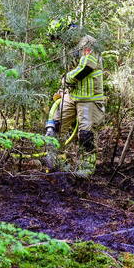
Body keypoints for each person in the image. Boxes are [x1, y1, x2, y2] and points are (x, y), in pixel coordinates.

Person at [45, 28, 105, 175]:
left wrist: (67, 79)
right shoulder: (69, 48)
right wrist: (63, 88)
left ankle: (85, 170)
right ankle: (56, 163)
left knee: (86, 135)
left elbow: (86, 67)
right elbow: (71, 70)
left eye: (59, 37)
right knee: (55, 127)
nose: (59, 41)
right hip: (71, 95)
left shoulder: (88, 42)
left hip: (89, 98)